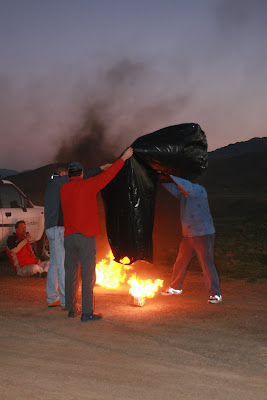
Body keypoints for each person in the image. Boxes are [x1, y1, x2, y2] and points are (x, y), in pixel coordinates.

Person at [60, 147, 133, 322]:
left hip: (69, 237)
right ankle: (86, 313)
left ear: (69, 175)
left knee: (70, 273)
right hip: (85, 237)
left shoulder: (63, 189)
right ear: (82, 173)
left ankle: (71, 309)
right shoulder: (88, 185)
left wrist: (99, 168)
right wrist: (123, 157)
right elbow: (109, 176)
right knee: (87, 275)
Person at [44, 163, 111, 309]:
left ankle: (51, 297)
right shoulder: (60, 181)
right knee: (62, 265)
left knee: (54, 263)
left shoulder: (51, 183)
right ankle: (65, 301)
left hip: (50, 228)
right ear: (62, 173)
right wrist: (100, 168)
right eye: (67, 174)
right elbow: (80, 177)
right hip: (58, 228)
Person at [161, 175, 222, 304]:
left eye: (180, 185)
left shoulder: (198, 190)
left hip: (203, 234)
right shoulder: (183, 195)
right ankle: (175, 287)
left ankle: (215, 294)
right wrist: (159, 175)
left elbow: (184, 184)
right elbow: (169, 186)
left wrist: (171, 172)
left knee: (206, 263)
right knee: (180, 262)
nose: (178, 188)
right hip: (189, 235)